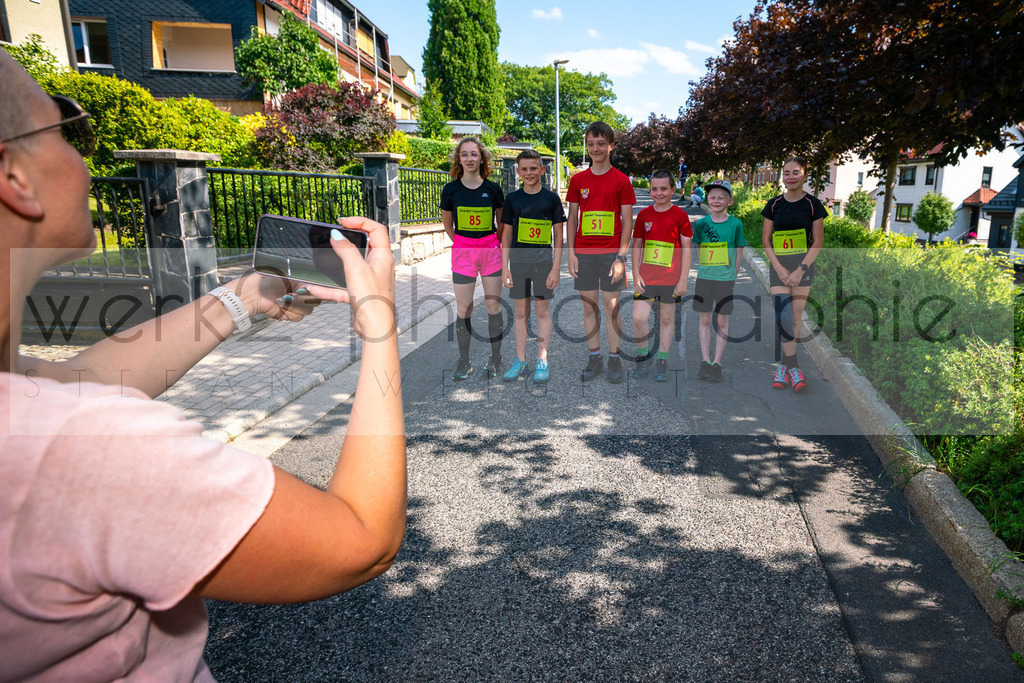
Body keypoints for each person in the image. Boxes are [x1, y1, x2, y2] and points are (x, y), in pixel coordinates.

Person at [0, 53, 406, 680]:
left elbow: (77, 383)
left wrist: (239, 300)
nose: (82, 156)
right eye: (62, 126)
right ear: (13, 177)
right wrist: (379, 324)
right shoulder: (78, 452)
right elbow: (362, 540)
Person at [566, 121, 637, 383]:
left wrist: (621, 257)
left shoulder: (622, 181)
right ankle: (594, 357)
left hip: (611, 256)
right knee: (589, 308)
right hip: (584, 255)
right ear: (587, 146)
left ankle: (614, 358)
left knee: (612, 308)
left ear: (611, 146)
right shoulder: (578, 180)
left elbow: (627, 222)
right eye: (591, 144)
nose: (595, 148)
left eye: (600, 143)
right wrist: (570, 254)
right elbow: (572, 219)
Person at [440, 137, 506, 381]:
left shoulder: (493, 189)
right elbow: (448, 225)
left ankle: (496, 358)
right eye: (464, 154)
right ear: (459, 158)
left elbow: (502, 223)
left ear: (482, 158)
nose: (469, 158)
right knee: (464, 308)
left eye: (474, 154)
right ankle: (464, 361)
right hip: (463, 252)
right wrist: (463, 243)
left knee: (493, 306)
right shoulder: (450, 190)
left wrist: (491, 242)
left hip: (490, 250)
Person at [761, 156, 827, 392]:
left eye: (796, 172)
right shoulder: (774, 204)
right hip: (779, 266)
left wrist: (800, 270)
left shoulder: (813, 204)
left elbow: (818, 241)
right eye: (786, 172)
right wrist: (779, 268)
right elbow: (765, 240)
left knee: (796, 316)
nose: (790, 177)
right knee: (784, 315)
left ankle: (785, 367)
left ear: (805, 175)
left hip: (803, 268)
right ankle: (793, 367)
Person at [500, 149, 565, 383]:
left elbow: (559, 236)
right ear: (518, 172)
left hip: (543, 264)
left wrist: (556, 267)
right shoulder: (513, 199)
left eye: (533, 168)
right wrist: (504, 267)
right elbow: (506, 235)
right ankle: (520, 360)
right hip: (518, 264)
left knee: (541, 312)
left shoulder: (551, 199)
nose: (529, 173)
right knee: (520, 313)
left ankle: (542, 360)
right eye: (524, 169)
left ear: (542, 170)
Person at [630, 170, 692, 382]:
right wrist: (635, 273)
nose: (659, 193)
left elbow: (686, 249)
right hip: (646, 278)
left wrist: (683, 279)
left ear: (673, 190)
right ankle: (644, 356)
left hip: (670, 279)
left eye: (664, 189)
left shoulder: (680, 216)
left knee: (666, 318)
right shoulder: (644, 215)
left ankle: (662, 360)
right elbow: (636, 245)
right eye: (654, 189)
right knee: (638, 318)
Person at [690, 179, 747, 383]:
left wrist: (734, 274)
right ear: (708, 199)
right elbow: (699, 248)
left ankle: (717, 362)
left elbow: (739, 252)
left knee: (722, 320)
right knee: (704, 320)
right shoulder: (702, 224)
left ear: (729, 201)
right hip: (705, 278)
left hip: (725, 280)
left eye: (721, 197)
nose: (716, 200)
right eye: (712, 197)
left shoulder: (735, 224)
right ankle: (705, 361)